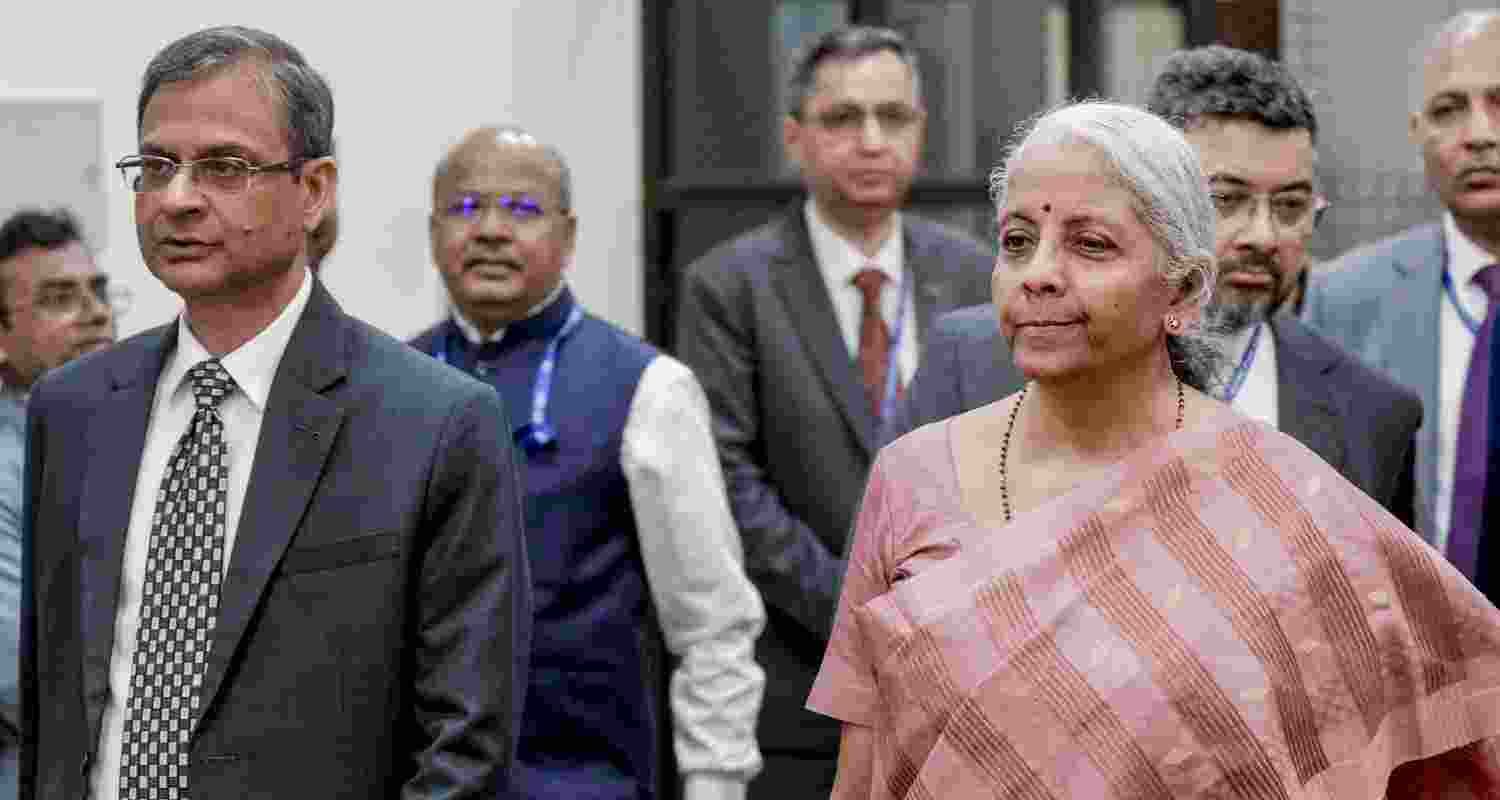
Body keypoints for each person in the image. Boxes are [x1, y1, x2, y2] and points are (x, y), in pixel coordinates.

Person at [810, 100, 1500, 799]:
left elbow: (1454, 709)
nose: (1038, 273)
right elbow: (860, 772)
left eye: (1091, 245)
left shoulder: (1285, 498)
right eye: (1018, 241)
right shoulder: (913, 477)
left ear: (1187, 291)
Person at [19, 26, 530, 800]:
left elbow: (465, 750)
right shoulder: (73, 411)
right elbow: (53, 707)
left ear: (315, 190)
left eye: (224, 167)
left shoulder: (434, 424)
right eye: (157, 167)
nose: (178, 198)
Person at [890, 45, 1423, 528]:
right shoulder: (968, 363)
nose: (1263, 235)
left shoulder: (1372, 414)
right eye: (1225, 200)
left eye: (1290, 206)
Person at [674, 26, 991, 796]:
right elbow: (728, 480)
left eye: (893, 117)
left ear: (920, 130)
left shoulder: (977, 275)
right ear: (796, 139)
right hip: (801, 682)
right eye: (843, 119)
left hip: (963, 686)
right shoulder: (730, 285)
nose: (872, 140)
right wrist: (864, 616)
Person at [409, 125, 765, 800]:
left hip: (584, 781)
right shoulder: (389, 383)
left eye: (522, 210)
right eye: (464, 208)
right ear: (432, 235)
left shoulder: (650, 388)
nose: (489, 230)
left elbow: (712, 626)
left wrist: (715, 786)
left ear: (568, 237)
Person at [1304, 10, 1500, 591]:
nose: (1479, 134)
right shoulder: (1342, 303)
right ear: (1417, 132)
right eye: (1449, 110)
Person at [0, 208, 122, 799]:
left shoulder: (140, 431)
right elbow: (24, 675)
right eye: (59, 298)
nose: (96, 313)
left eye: (97, 292)